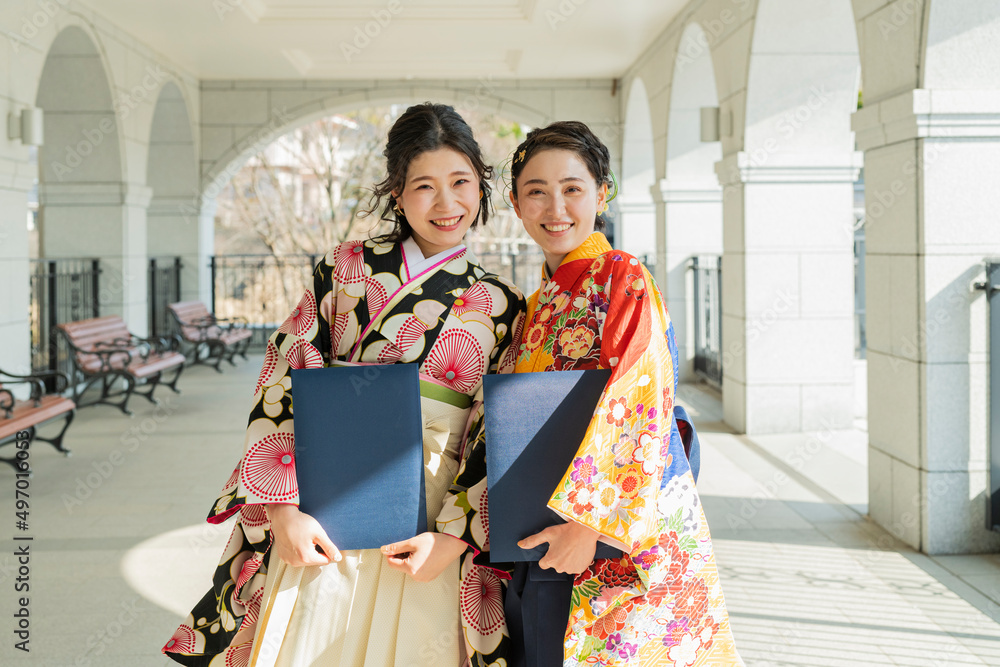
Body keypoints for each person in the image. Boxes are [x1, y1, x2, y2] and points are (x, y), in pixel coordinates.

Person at [163, 103, 524, 667]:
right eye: (424, 186)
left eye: (461, 182)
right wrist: (282, 510)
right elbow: (285, 375)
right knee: (313, 637)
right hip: (327, 494)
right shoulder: (344, 268)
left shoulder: (502, 302)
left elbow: (493, 431)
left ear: (481, 186)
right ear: (396, 193)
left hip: (431, 511)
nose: (446, 203)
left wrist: (454, 536)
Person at [504, 121, 743, 665]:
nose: (555, 208)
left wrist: (589, 523)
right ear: (516, 204)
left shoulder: (621, 276)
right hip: (544, 523)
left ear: (602, 193)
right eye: (536, 191)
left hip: (611, 526)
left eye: (572, 188)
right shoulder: (534, 304)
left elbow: (640, 394)